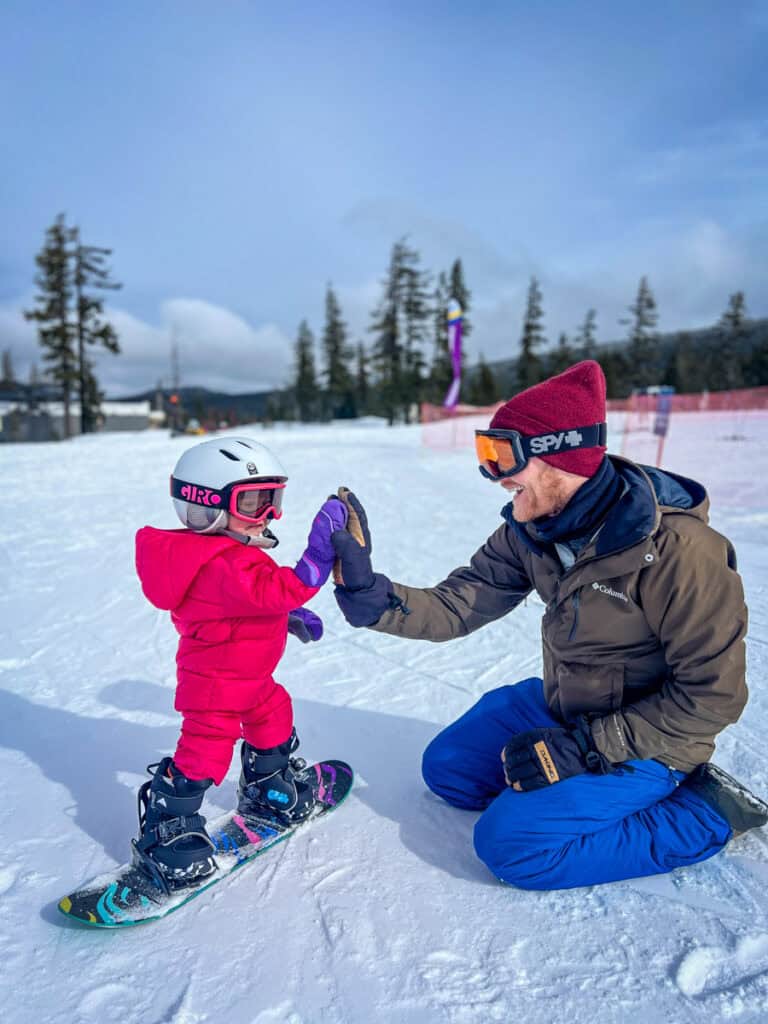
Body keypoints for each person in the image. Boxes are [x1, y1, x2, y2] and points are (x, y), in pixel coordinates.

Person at [331, 361, 768, 890]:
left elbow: (713, 700)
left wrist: (588, 748)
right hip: (566, 705)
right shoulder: (530, 529)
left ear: (560, 453)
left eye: (502, 455)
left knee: (513, 848)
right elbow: (459, 603)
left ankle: (705, 814)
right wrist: (373, 597)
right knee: (448, 770)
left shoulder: (681, 553)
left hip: (651, 739)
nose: (492, 475)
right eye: (485, 454)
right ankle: (566, 793)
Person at [132, 436, 347, 890]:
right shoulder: (223, 563)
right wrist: (320, 551)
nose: (269, 515)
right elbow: (280, 587)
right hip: (215, 687)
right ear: (204, 506)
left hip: (251, 679)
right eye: (253, 502)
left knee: (274, 713)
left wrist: (284, 616)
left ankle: (268, 785)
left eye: (273, 499)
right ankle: (167, 829)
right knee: (206, 752)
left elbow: (242, 604)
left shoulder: (226, 558)